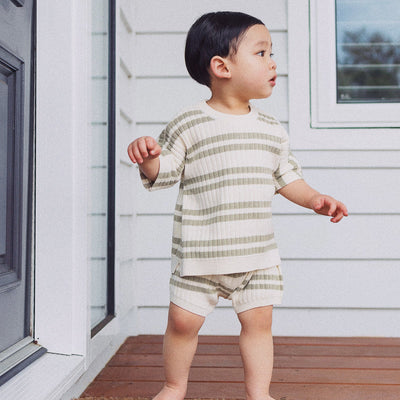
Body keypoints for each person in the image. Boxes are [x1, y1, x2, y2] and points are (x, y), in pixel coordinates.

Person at [127, 11, 348, 400]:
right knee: (182, 324)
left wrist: (315, 198)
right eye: (261, 53)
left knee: (259, 325)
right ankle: (174, 385)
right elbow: (166, 173)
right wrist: (148, 158)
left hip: (256, 255)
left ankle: (258, 392)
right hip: (200, 255)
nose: (273, 62)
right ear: (221, 66)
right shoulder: (190, 122)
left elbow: (286, 178)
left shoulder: (270, 130)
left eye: (271, 53)